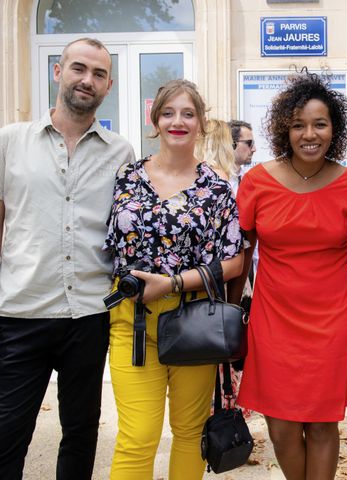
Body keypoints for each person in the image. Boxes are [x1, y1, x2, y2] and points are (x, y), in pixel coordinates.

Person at [231, 72, 347, 480]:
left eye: (320, 123)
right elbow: (240, 254)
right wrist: (229, 314)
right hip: (274, 318)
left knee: (321, 423)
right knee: (279, 426)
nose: (309, 134)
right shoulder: (257, 181)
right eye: (298, 124)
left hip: (332, 320)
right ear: (284, 129)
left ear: (335, 129)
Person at [0, 38, 135, 479]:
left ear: (109, 85)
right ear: (58, 72)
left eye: (98, 74)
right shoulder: (10, 142)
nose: (87, 80)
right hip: (21, 311)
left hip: (89, 317)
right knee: (6, 435)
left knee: (80, 435)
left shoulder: (121, 153)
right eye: (79, 69)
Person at [104, 79, 244, 479]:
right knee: (138, 435)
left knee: (187, 432)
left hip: (193, 320)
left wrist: (174, 282)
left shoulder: (216, 189)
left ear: (201, 122)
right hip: (133, 319)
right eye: (168, 113)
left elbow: (234, 261)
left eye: (188, 113)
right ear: (155, 119)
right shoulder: (127, 177)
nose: (177, 121)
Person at [228, 119, 256, 192]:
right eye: (249, 143)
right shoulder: (213, 179)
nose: (254, 149)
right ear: (232, 144)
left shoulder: (248, 180)